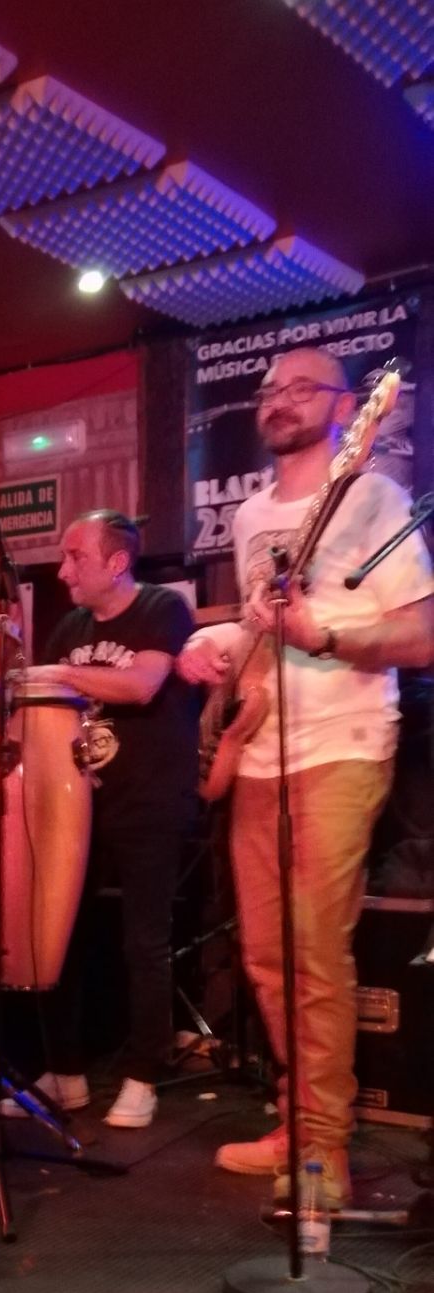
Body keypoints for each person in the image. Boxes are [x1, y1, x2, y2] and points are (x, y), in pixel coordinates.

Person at [178, 348, 434, 1207]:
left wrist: (320, 634)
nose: (279, 400)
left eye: (300, 388)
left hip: (342, 745)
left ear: (345, 408)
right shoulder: (252, 515)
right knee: (264, 957)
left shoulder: (374, 498)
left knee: (315, 951)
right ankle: (296, 1119)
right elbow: (259, 635)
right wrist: (217, 652)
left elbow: (419, 636)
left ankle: (323, 1149)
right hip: (259, 754)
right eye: (269, 389)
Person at [16, 511, 199, 1128]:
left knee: (144, 941)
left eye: (76, 557)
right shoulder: (70, 626)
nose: (63, 571)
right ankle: (65, 1072)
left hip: (148, 800)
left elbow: (143, 684)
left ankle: (145, 1074)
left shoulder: (161, 608)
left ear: (117, 562)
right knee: (59, 935)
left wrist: (61, 673)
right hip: (78, 803)